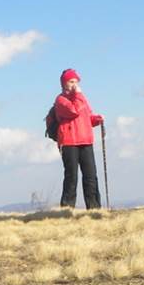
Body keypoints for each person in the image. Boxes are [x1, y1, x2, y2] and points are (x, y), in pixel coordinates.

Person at [52, 69, 104, 210]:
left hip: (85, 140)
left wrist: (97, 119)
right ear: (64, 83)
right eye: (71, 81)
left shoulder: (80, 98)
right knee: (71, 177)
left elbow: (87, 116)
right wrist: (79, 95)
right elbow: (74, 111)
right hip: (69, 142)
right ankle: (67, 209)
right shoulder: (60, 100)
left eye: (76, 82)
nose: (75, 84)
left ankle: (94, 209)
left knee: (91, 176)